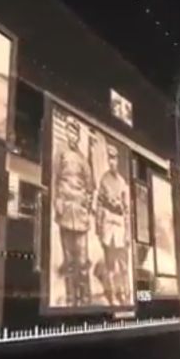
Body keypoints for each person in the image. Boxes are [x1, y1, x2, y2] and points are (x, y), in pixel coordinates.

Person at [53, 119, 94, 307]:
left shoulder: (83, 159)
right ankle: (71, 299)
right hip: (65, 211)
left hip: (80, 214)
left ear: (78, 136)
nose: (72, 135)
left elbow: (90, 186)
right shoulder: (60, 152)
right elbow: (55, 178)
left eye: (75, 132)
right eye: (69, 131)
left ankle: (85, 299)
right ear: (66, 132)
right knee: (69, 260)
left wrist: (86, 204)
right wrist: (57, 201)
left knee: (82, 261)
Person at [95, 145, 130, 306]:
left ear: (118, 160)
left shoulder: (122, 183)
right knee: (110, 265)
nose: (112, 162)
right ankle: (112, 295)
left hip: (120, 227)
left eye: (114, 158)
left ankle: (124, 294)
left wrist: (128, 232)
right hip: (108, 225)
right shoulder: (104, 180)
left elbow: (127, 210)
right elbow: (99, 204)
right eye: (109, 158)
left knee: (123, 265)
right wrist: (98, 227)